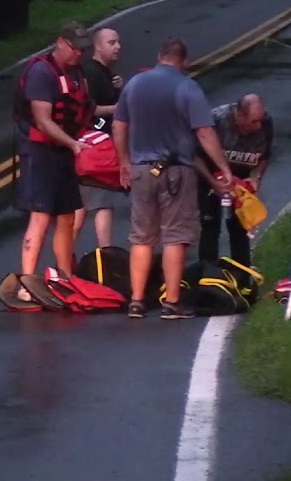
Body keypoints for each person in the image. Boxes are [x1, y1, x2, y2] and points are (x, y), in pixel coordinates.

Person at [112, 38, 234, 320]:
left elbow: (119, 125)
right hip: (177, 171)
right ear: (184, 61)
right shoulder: (187, 87)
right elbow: (204, 132)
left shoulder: (135, 84)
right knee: (175, 236)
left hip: (141, 168)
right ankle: (172, 303)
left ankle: (137, 300)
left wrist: (123, 162)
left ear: (159, 56)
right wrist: (223, 168)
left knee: (142, 236)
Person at [12, 23, 94, 287]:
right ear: (60, 43)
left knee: (68, 214)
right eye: (74, 49)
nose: (78, 54)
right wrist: (73, 143)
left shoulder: (77, 74)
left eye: (82, 50)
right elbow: (43, 120)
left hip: (64, 152)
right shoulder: (41, 73)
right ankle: (27, 281)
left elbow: (87, 108)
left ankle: (66, 276)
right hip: (40, 152)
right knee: (41, 215)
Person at [195, 94, 272, 266]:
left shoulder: (266, 122)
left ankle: (242, 275)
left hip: (242, 179)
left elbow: (265, 155)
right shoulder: (216, 120)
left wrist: (256, 177)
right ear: (239, 115)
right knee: (210, 227)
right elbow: (195, 156)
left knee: (240, 229)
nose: (259, 126)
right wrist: (212, 182)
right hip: (211, 177)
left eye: (260, 120)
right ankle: (206, 273)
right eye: (254, 121)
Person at [72, 27, 124, 249]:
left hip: (93, 147)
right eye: (111, 43)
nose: (117, 47)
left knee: (81, 206)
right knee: (102, 204)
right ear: (98, 46)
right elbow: (89, 109)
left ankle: (65, 257)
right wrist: (117, 107)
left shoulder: (106, 73)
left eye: (118, 42)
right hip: (96, 147)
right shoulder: (91, 73)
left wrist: (119, 89)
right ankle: (106, 254)